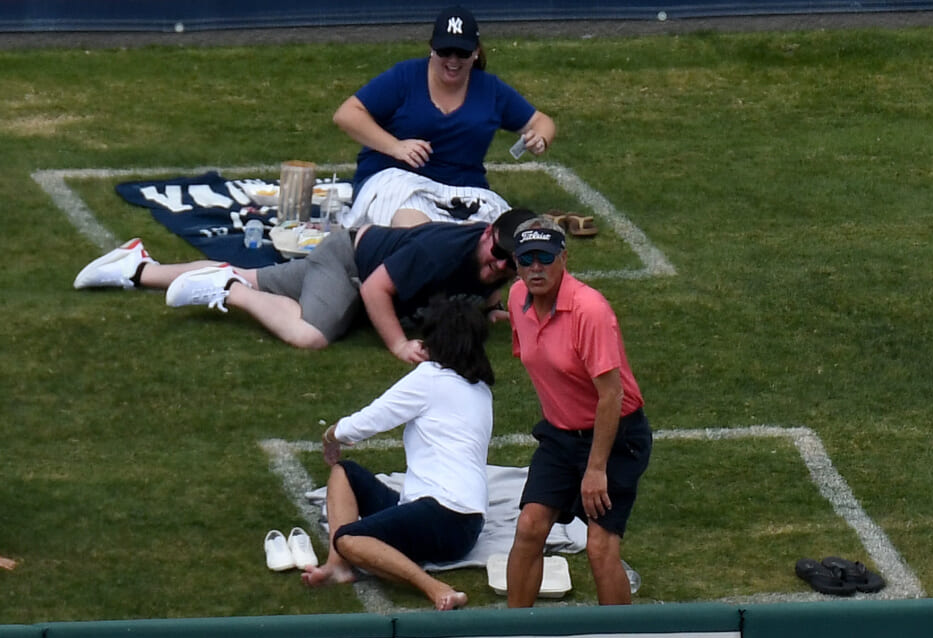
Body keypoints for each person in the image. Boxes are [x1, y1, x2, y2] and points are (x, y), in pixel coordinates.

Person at [72, 208, 533, 360]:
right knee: (311, 335)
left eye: (511, 266)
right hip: (350, 267)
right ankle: (228, 294)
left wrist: (489, 305)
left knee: (252, 272)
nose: (500, 267)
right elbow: (375, 290)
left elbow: (482, 287)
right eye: (497, 256)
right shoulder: (442, 250)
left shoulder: (488, 261)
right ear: (487, 232)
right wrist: (397, 346)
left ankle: (137, 268)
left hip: (348, 257)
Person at [301, 296, 494, 611]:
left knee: (349, 539)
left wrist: (331, 434)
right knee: (344, 473)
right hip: (458, 518)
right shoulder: (480, 389)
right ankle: (338, 566)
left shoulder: (430, 378)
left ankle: (435, 588)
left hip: (446, 516)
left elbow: (371, 419)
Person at [504, 218, 651, 606]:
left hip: (614, 437)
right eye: (526, 259)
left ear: (564, 258)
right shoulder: (517, 299)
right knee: (529, 527)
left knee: (600, 547)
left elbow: (611, 396)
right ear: (516, 263)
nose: (536, 268)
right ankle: (511, 635)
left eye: (545, 258)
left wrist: (596, 468)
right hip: (560, 435)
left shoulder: (590, 311)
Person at [334, 5, 556, 230]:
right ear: (432, 48)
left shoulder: (490, 89)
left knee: (494, 242)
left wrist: (540, 138)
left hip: (464, 190)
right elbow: (347, 114)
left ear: (476, 52)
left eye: (462, 53)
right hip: (398, 181)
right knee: (416, 230)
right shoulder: (405, 77)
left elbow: (541, 122)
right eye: (445, 51)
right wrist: (395, 147)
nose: (453, 60)